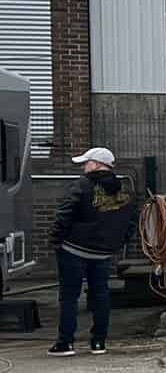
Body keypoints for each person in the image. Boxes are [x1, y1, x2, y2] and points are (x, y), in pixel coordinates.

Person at [47, 147, 136, 357]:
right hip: (102, 253)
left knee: (69, 296)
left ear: (96, 164)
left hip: (73, 249)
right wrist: (116, 243)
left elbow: (64, 214)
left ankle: (66, 343)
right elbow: (131, 221)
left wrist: (56, 239)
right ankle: (98, 342)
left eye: (86, 163)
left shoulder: (81, 185)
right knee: (101, 295)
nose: (84, 167)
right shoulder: (124, 191)